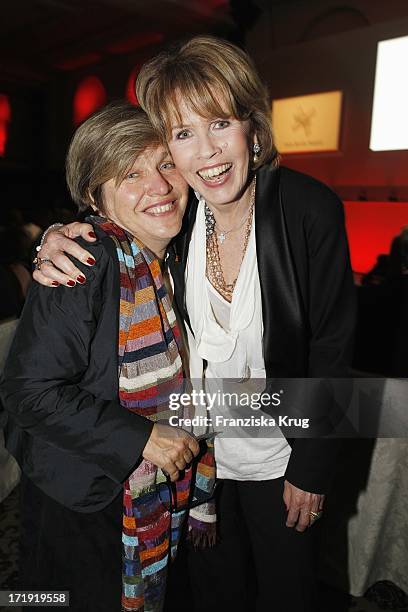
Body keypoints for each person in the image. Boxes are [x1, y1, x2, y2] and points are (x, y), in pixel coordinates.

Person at [31, 36, 356, 612]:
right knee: (209, 595)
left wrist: (313, 466)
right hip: (193, 463)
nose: (205, 152)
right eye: (183, 134)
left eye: (219, 124)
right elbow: (120, 213)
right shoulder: (177, 222)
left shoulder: (308, 210)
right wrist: (59, 236)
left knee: (289, 593)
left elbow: (331, 347)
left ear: (252, 130)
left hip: (280, 459)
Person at [0, 102, 202, 612]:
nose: (158, 185)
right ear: (96, 196)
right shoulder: (84, 262)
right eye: (130, 173)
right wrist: (142, 437)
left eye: (164, 164)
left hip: (139, 495)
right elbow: (27, 392)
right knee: (47, 599)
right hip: (82, 496)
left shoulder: (176, 260)